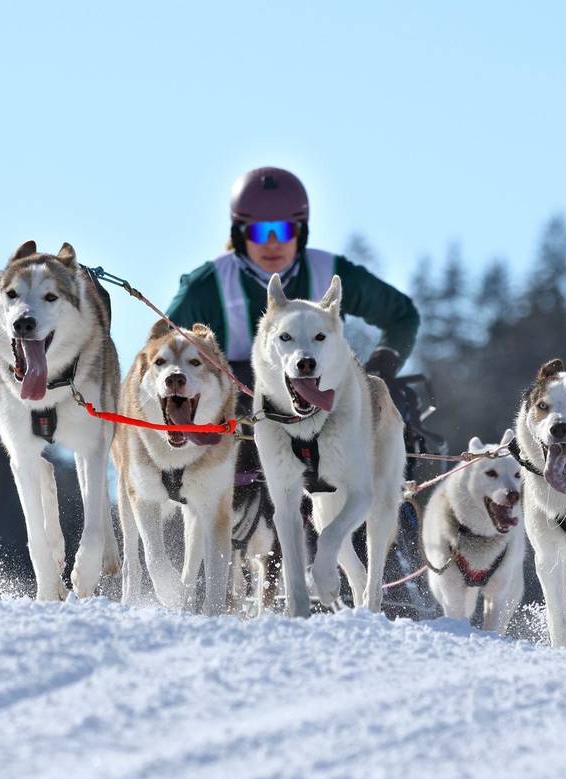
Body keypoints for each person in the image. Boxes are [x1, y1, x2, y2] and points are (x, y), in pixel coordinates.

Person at [165, 166, 421, 605]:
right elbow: (166, 345)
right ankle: (228, 577)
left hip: (333, 397)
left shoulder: (331, 272)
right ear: (238, 231)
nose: (271, 242)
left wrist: (381, 364)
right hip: (244, 405)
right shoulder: (209, 284)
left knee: (395, 419)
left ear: (299, 230)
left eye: (283, 229)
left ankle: (393, 562)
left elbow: (402, 314)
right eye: (257, 230)